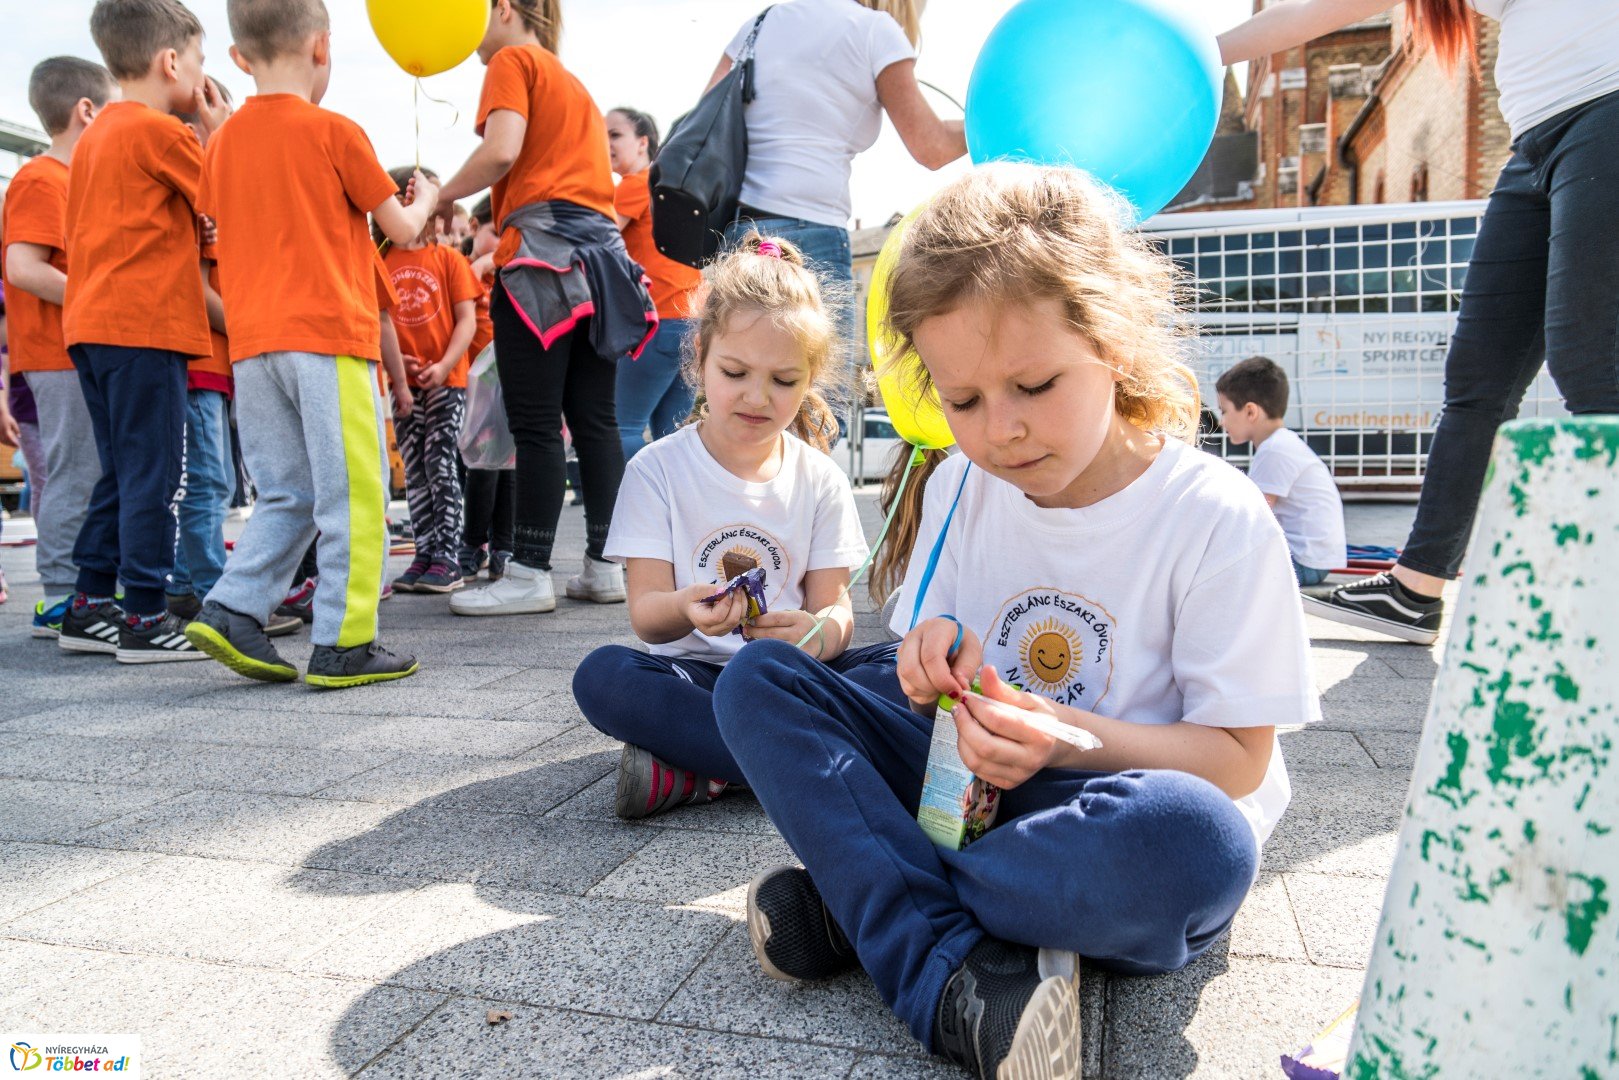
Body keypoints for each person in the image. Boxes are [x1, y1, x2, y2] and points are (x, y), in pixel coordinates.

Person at [710, 166, 1315, 1079]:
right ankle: (945, 970)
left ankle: (871, 901)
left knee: (1197, 843)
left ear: (1110, 340)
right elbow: (927, 650)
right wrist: (928, 656)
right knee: (760, 680)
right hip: (966, 798)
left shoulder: (1215, 515)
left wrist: (1066, 739)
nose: (1002, 433)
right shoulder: (960, 484)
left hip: (1101, 811)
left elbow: (1237, 760)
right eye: (962, 403)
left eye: (1034, 384)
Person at [1221, 0, 1619, 645]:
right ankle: (1415, 589)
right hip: (1534, 144)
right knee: (1475, 382)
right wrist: (1185, 55)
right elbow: (1309, 15)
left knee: (1593, 364)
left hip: (1608, 108)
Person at [573, 235, 905, 820]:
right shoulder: (657, 470)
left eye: (783, 380)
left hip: (792, 680)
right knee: (604, 675)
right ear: (700, 356)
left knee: (900, 668)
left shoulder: (821, 478)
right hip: (695, 678)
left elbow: (836, 613)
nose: (758, 396)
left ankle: (702, 770)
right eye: (735, 371)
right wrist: (685, 605)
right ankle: (816, 763)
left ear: (811, 378)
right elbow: (647, 616)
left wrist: (813, 634)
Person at [182, 0, 440, 688]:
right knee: (354, 494)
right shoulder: (336, 131)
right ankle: (345, 641)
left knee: (286, 492)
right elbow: (405, 229)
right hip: (329, 336)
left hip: (253, 343)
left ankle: (235, 606)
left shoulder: (224, 142)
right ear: (323, 47)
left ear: (239, 57)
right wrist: (423, 199)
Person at [436, 0, 655, 617]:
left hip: (540, 256)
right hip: (602, 259)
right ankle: (605, 566)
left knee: (535, 423)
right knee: (596, 421)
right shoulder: (575, 85)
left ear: (503, 8)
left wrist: (441, 197)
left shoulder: (513, 59)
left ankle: (530, 570)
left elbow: (502, 151)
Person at [58, 0, 224, 663]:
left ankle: (90, 602)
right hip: (145, 323)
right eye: (202, 64)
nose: (203, 79)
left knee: (123, 473)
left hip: (94, 322)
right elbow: (228, 193)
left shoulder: (99, 133)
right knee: (156, 473)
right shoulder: (165, 132)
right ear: (172, 61)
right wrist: (216, 128)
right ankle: (147, 614)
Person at [706, 0, 967, 336]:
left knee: (740, 377)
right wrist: (988, 123)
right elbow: (932, 146)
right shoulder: (876, 30)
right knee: (820, 385)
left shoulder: (762, 22)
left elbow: (707, 115)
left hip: (740, 234)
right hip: (812, 235)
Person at [2, 57, 118, 637]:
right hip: (56, 353)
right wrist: (96, 301)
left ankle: (85, 594)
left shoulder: (69, 180)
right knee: (77, 472)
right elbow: (22, 267)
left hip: (76, 350)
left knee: (91, 470)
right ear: (87, 111)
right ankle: (61, 595)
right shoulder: (40, 178)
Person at [376, 166, 482, 596]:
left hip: (446, 380)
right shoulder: (379, 258)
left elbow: (467, 321)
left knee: (440, 462)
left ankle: (449, 557)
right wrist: (398, 372)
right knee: (415, 468)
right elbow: (378, 320)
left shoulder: (449, 259)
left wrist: (443, 365)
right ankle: (424, 553)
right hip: (402, 381)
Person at [167, 74, 244, 624]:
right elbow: (200, 288)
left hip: (213, 366)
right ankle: (212, 590)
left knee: (211, 480)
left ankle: (182, 581)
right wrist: (248, 327)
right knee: (210, 481)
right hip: (201, 364)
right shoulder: (202, 206)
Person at [605, 106, 700, 461]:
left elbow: (597, 238)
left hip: (656, 320)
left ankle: (633, 509)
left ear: (643, 142)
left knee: (622, 426)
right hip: (690, 322)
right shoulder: (669, 187)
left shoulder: (633, 184)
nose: (605, 143)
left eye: (614, 135)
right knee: (672, 435)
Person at [1216, 357, 1347, 587]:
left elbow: (1252, 517)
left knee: (1215, 569)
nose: (1222, 421)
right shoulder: (1281, 444)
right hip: (1312, 560)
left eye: (1224, 411)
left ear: (1250, 412)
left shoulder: (1274, 450)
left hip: (1302, 563)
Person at [459, 198, 515, 583]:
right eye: (495, 232)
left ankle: (503, 545)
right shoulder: (463, 269)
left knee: (508, 466)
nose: (500, 244)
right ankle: (473, 542)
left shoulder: (512, 272)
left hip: (509, 382)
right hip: (470, 385)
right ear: (475, 227)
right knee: (479, 467)